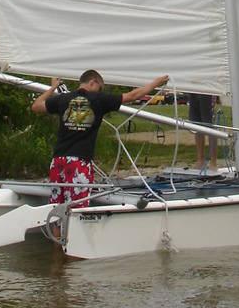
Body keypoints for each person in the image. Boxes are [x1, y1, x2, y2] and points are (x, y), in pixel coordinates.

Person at [32, 69, 169, 208]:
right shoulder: (99, 99)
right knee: (77, 209)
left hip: (58, 161)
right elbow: (133, 95)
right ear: (93, 82)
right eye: (99, 87)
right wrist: (155, 83)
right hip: (79, 162)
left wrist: (53, 87)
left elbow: (36, 106)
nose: (99, 90)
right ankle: (73, 230)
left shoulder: (63, 98)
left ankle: (57, 230)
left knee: (56, 207)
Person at [189, 92, 219, 173]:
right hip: (193, 89)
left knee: (210, 127)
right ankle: (200, 160)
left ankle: (213, 162)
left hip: (207, 90)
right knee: (197, 126)